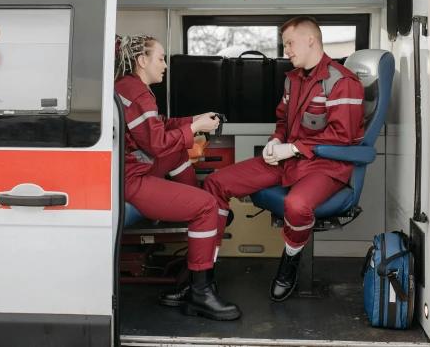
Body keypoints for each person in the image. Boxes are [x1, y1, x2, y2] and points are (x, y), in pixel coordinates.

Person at [203, 16, 365, 301]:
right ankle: (204, 273)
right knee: (216, 183)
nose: (286, 50)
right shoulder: (293, 80)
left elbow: (342, 135)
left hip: (325, 166)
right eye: (285, 44)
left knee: (297, 205)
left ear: (311, 39)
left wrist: (292, 148)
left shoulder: (343, 82)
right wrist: (276, 140)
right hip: (289, 160)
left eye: (290, 43)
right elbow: (283, 120)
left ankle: (289, 261)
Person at [115, 34, 241, 321]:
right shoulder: (139, 93)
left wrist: (193, 120)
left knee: (178, 154)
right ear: (142, 61)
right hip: (130, 181)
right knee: (208, 206)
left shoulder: (127, 86)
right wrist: (196, 126)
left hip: (131, 169)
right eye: (161, 59)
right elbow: (157, 143)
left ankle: (191, 208)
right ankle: (200, 293)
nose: (165, 66)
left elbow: (157, 128)